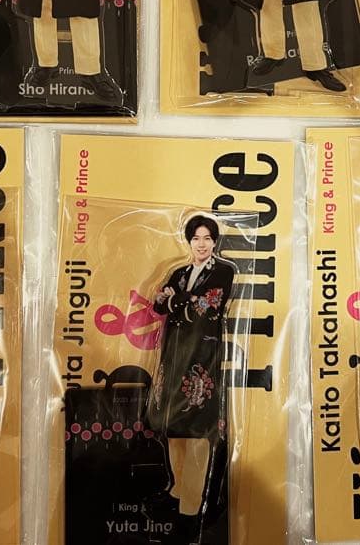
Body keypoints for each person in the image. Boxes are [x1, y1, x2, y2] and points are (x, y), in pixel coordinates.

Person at [147, 215, 236, 543]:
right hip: (173, 357)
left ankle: (190, 511)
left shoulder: (223, 271)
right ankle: (177, 492)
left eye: (207, 238)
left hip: (202, 358)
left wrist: (175, 299)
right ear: (188, 241)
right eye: (196, 238)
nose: (201, 243)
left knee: (197, 432)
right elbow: (159, 306)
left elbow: (208, 307)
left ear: (214, 242)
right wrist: (171, 300)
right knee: (174, 429)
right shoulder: (180, 272)